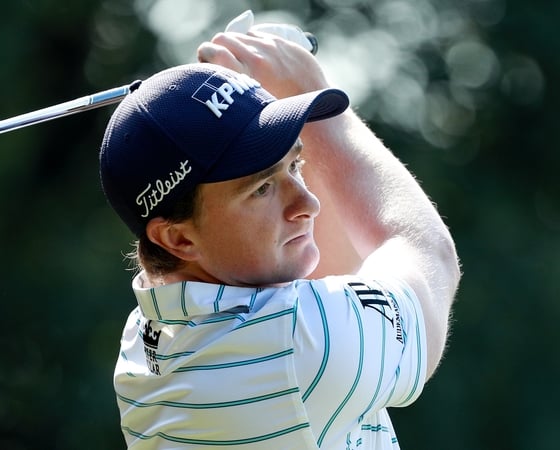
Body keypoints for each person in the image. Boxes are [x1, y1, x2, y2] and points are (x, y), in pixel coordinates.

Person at [98, 23, 461, 450]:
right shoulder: (292, 348)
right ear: (177, 239)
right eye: (262, 188)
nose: (308, 203)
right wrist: (308, 87)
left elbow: (327, 277)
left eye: (295, 165)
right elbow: (430, 255)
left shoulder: (149, 333)